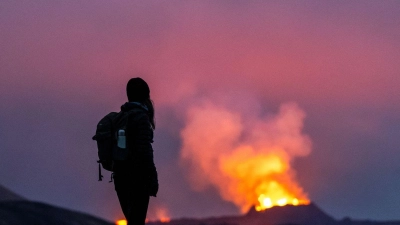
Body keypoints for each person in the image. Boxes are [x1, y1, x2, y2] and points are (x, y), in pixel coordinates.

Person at [113, 77, 158, 225]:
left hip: (120, 177)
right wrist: (152, 177)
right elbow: (145, 151)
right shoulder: (141, 118)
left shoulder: (120, 116)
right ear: (146, 95)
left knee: (131, 220)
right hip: (138, 179)